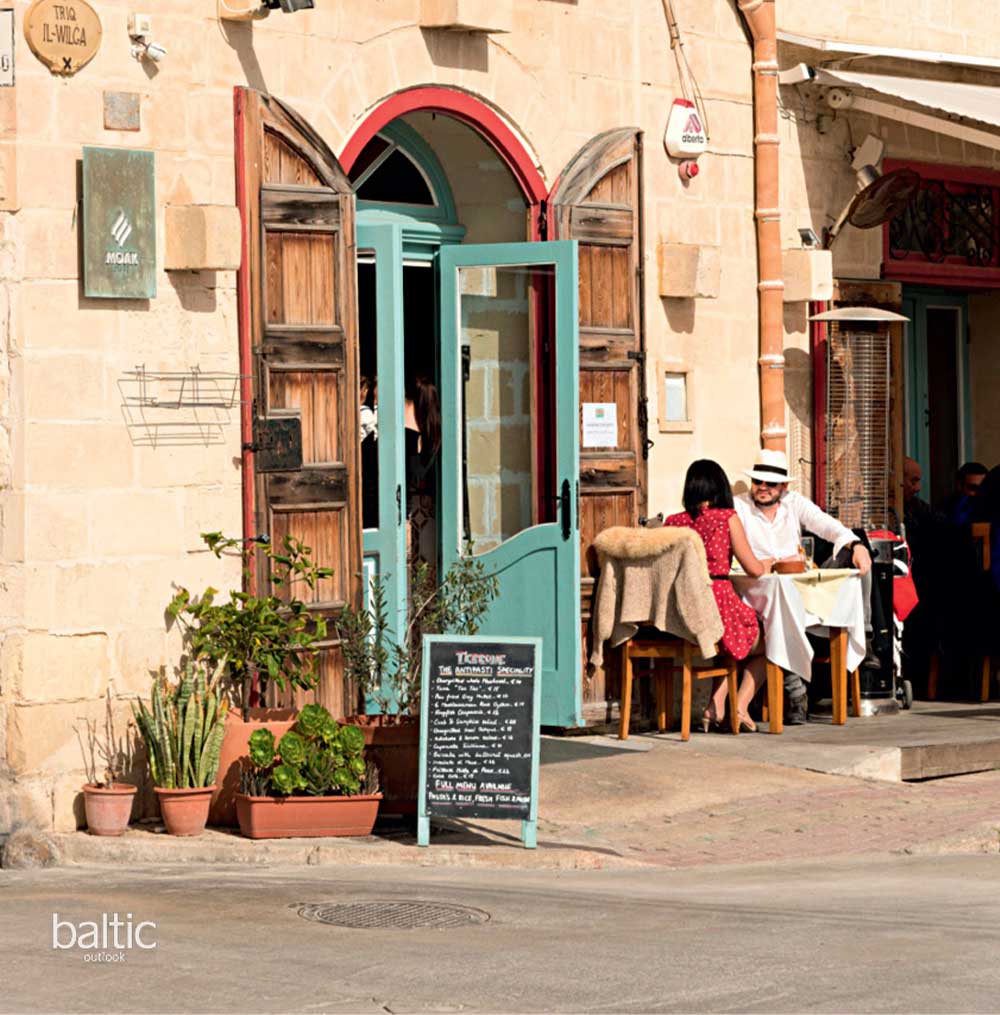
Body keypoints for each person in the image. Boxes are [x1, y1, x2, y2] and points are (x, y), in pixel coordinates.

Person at [734, 448, 872, 725]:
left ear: (783, 487)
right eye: (758, 482)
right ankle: (794, 689)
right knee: (781, 605)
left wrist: (856, 545)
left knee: (853, 566)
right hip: (755, 585)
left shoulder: (794, 503)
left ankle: (863, 636)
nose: (762, 488)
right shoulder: (739, 506)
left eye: (770, 484)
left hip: (797, 586)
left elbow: (828, 526)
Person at [663, 460, 773, 732]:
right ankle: (741, 705)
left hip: (683, 612)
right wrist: (769, 563)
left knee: (730, 644)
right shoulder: (725, 518)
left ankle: (715, 708)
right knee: (770, 642)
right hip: (717, 603)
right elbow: (753, 568)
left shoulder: (673, 522)